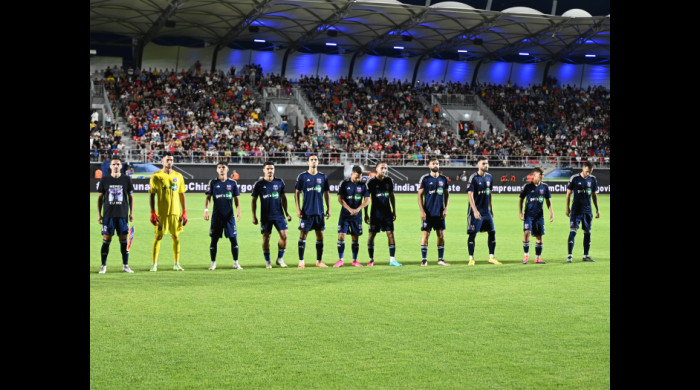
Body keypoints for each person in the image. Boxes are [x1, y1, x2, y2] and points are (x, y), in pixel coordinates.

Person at [148, 153, 188, 271]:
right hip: (161, 213)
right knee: (158, 237)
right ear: (162, 161)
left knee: (175, 237)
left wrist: (184, 211)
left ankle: (176, 263)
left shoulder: (179, 176)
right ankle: (154, 264)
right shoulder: (156, 175)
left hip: (175, 213)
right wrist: (152, 212)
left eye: (171, 160)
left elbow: (182, 194)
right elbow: (152, 194)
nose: (169, 162)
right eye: (167, 160)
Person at [96, 157, 135, 273]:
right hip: (108, 215)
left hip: (122, 214)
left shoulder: (126, 179)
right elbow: (100, 198)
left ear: (121, 166)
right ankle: (103, 265)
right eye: (114, 164)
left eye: (118, 164)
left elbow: (131, 197)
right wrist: (99, 214)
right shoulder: (105, 180)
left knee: (123, 240)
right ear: (110, 166)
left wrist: (131, 213)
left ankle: (125, 265)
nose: (116, 166)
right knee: (106, 239)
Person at [251, 161, 293, 268]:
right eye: (268, 169)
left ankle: (280, 259)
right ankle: (268, 261)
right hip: (266, 216)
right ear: (264, 170)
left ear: (274, 170)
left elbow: (284, 198)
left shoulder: (279, 182)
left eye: (272, 169)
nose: (270, 170)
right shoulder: (259, 184)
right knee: (266, 238)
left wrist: (287, 212)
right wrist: (254, 216)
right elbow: (253, 201)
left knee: (284, 236)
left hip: (279, 215)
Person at [294, 153, 331, 268]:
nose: (314, 161)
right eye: (312, 160)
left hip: (319, 212)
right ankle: (301, 262)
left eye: (315, 159)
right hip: (307, 212)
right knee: (303, 235)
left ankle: (319, 261)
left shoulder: (323, 177)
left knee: (320, 236)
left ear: (318, 162)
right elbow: (297, 193)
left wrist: (329, 208)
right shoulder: (302, 177)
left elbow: (326, 194)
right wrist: (298, 209)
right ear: (308, 162)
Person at [204, 162, 242, 270]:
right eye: (219, 167)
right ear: (217, 170)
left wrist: (239, 211)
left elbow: (237, 199)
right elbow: (208, 198)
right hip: (217, 217)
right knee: (214, 240)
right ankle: (213, 263)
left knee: (233, 239)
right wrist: (206, 211)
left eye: (223, 167)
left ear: (227, 169)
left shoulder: (233, 183)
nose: (221, 169)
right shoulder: (213, 182)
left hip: (229, 217)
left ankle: (236, 263)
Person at [364, 161, 401, 266]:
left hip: (387, 213)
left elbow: (392, 196)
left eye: (385, 168)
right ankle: (371, 260)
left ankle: (392, 260)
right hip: (375, 214)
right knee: (372, 235)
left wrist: (394, 211)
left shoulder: (389, 180)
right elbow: (366, 199)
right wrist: (366, 214)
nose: (384, 170)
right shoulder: (371, 182)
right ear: (376, 169)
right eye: (382, 168)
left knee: (390, 234)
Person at [466, 156, 501, 265]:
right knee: (472, 234)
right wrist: (475, 211)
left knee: (492, 232)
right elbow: (470, 195)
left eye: (487, 163)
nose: (486, 165)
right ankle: (471, 258)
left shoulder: (489, 177)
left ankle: (491, 257)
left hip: (486, 212)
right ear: (478, 165)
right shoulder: (473, 178)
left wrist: (491, 208)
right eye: (483, 164)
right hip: (475, 212)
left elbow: (489, 193)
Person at [334, 165, 370, 267]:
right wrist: (350, 209)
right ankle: (340, 260)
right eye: (356, 177)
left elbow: (367, 199)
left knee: (355, 237)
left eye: (360, 177)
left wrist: (358, 209)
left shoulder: (363, 185)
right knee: (341, 236)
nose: (358, 179)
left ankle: (355, 260)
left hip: (356, 216)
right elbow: (340, 199)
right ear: (351, 174)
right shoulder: (344, 183)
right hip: (345, 215)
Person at [417, 157, 450, 266]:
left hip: (440, 213)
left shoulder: (443, 179)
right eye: (433, 163)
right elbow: (419, 196)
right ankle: (424, 260)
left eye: (437, 163)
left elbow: (447, 195)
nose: (435, 165)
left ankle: (440, 259)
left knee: (441, 235)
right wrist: (422, 211)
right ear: (429, 166)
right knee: (426, 235)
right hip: (428, 213)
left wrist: (446, 208)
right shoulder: (425, 179)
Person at [565, 161, 600, 262]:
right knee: (573, 231)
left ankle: (586, 256)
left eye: (590, 172)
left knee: (587, 232)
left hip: (588, 211)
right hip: (576, 210)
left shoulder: (592, 179)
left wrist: (597, 209)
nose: (588, 173)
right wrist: (567, 208)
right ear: (583, 168)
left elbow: (594, 195)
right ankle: (570, 255)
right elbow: (568, 194)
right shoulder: (574, 178)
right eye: (587, 171)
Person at [518, 167, 554, 264]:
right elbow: (521, 199)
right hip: (529, 215)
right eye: (540, 175)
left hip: (539, 216)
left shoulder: (545, 187)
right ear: (534, 176)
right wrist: (520, 213)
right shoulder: (527, 187)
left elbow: (548, 201)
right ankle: (526, 256)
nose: (542, 176)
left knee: (539, 236)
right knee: (527, 232)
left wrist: (551, 213)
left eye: (542, 175)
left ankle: (537, 258)